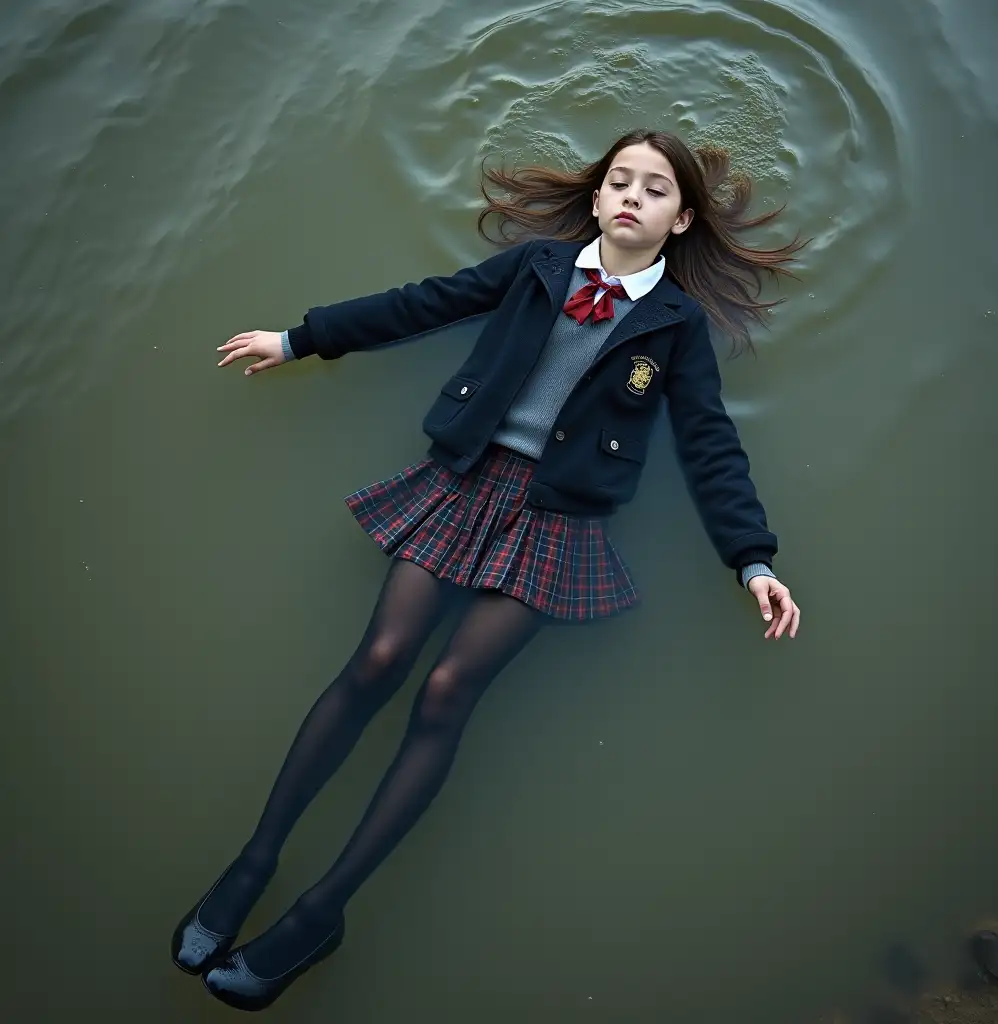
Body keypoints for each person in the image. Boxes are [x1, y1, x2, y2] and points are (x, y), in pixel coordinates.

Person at [171, 128, 803, 1011]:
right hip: (463, 481)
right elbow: (422, 304)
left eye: (654, 189)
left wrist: (752, 562)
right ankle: (256, 860)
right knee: (381, 661)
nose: (631, 196)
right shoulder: (539, 268)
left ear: (682, 218)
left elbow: (709, 442)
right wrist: (299, 338)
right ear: (594, 199)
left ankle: (322, 911)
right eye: (618, 180)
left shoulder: (679, 326)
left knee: (445, 692)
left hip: (560, 519)